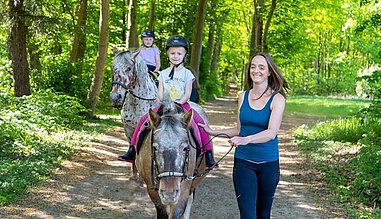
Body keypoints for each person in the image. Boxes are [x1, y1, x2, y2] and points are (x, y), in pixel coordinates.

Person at [199, 52, 289, 219]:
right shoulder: (243, 96)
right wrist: (212, 131)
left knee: (263, 214)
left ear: (269, 72)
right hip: (243, 163)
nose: (256, 71)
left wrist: (247, 139)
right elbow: (239, 129)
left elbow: (271, 132)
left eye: (261, 67)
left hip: (268, 164)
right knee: (248, 215)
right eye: (253, 67)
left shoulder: (277, 99)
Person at [118, 35, 217, 167]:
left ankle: (208, 153)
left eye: (179, 53)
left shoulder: (187, 74)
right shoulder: (163, 74)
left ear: (184, 55)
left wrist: (179, 103)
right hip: (164, 104)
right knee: (143, 121)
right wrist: (163, 101)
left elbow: (187, 93)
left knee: (199, 123)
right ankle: (132, 149)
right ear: (167, 55)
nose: (175, 56)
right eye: (172, 53)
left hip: (183, 104)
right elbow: (160, 92)